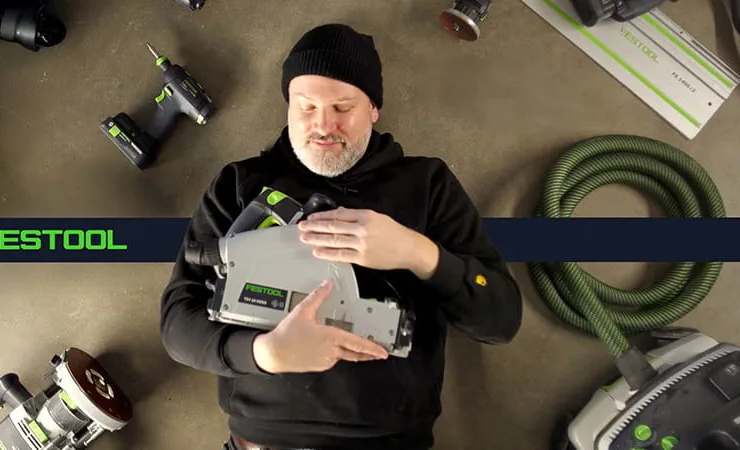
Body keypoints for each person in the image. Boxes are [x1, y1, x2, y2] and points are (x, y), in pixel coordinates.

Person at [159, 23, 523, 450]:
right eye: (306, 106)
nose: (323, 125)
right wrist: (265, 353)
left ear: (373, 109)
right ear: (288, 107)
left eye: (342, 107)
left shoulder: (427, 185)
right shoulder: (239, 184)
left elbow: (501, 319)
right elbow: (177, 324)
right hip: (262, 441)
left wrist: (416, 252)